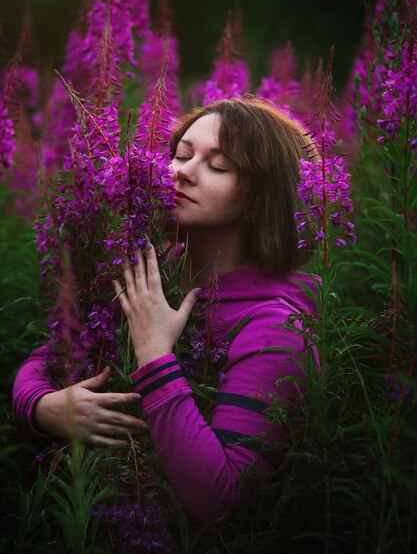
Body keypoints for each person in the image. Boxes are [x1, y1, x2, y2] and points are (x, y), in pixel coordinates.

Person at [13, 98, 320, 524]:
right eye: (180, 155)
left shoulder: (276, 328)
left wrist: (155, 352)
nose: (183, 172)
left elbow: (222, 500)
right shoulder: (149, 269)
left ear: (259, 200)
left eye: (217, 166)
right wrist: (42, 407)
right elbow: (44, 358)